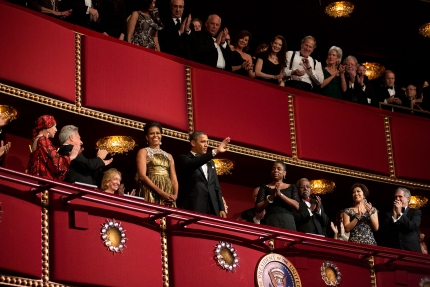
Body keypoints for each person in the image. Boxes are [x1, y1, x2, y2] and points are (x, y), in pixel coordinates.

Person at [176, 131, 230, 217]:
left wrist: (221, 208)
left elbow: (216, 186)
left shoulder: (211, 162)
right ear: (193, 143)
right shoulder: (183, 159)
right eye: (203, 142)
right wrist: (215, 151)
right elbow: (194, 164)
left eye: (207, 142)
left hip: (213, 208)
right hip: (194, 206)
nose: (206, 145)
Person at [136, 122, 178, 206]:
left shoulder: (169, 156)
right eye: (152, 133)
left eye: (158, 133)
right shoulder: (143, 152)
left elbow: (174, 179)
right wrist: (161, 193)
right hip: (151, 189)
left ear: (161, 136)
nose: (155, 135)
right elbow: (142, 176)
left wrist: (175, 195)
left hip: (167, 190)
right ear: (147, 137)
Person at [27, 115, 79, 181]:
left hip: (36, 178)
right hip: (42, 181)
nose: (56, 130)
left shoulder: (36, 140)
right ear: (48, 126)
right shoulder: (42, 139)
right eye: (54, 126)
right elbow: (56, 162)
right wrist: (71, 157)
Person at [255, 161, 299, 231]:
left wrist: (280, 194)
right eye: (273, 168)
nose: (275, 170)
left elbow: (296, 206)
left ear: (284, 173)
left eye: (279, 169)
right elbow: (258, 208)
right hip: (271, 220)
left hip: (288, 221)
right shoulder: (264, 187)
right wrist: (271, 197)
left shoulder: (292, 187)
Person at [379, 187, 422, 253]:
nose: (397, 199)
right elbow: (384, 232)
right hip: (394, 250)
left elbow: (412, 226)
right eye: (396, 197)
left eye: (400, 196)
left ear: (408, 198)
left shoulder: (415, 212)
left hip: (411, 251)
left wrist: (400, 214)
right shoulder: (389, 214)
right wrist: (394, 217)